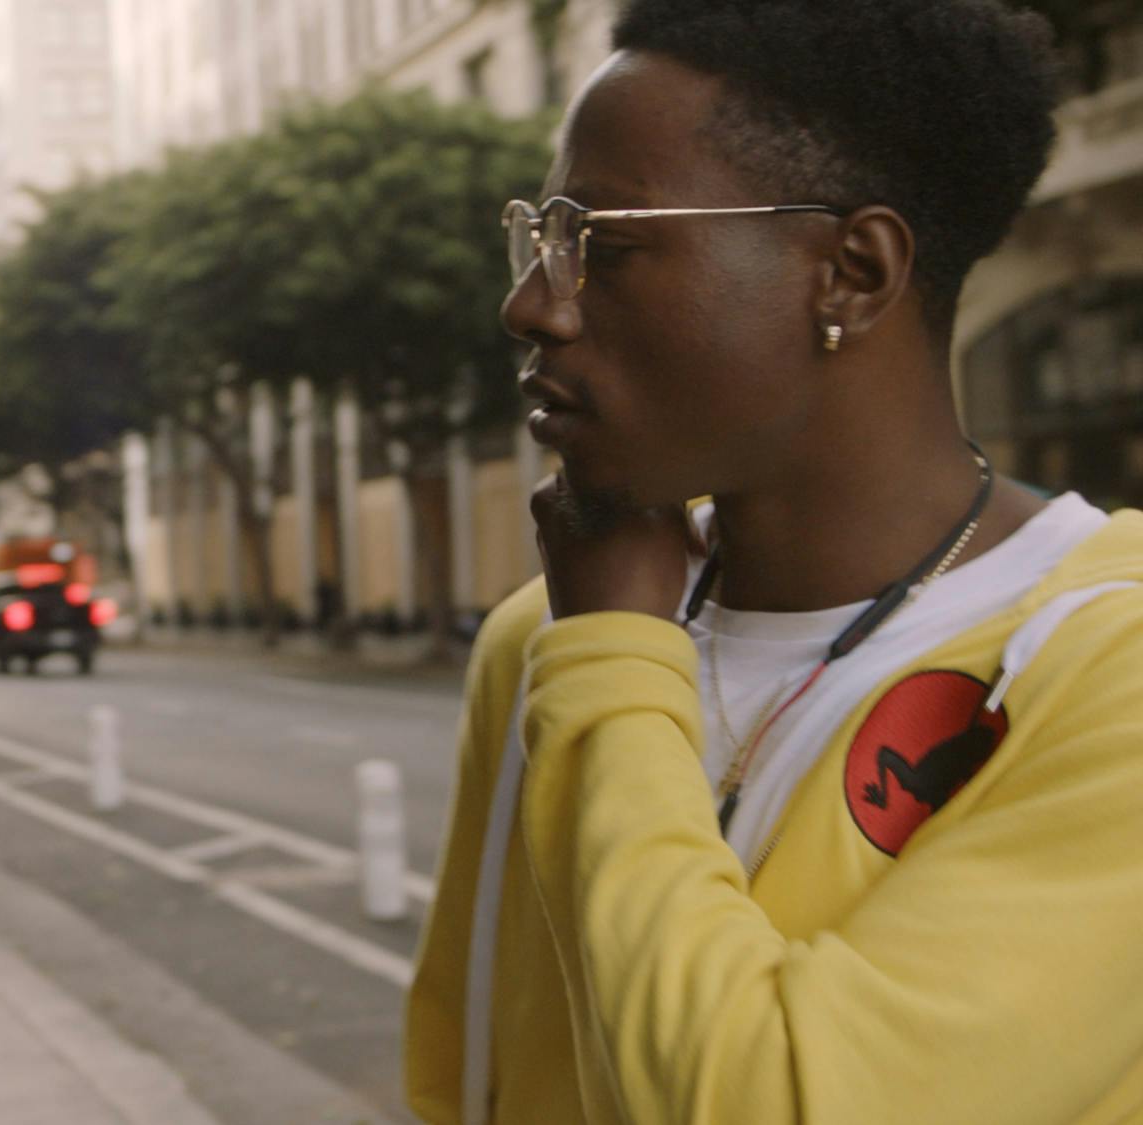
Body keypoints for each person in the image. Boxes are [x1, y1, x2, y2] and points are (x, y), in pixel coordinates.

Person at [406, 2, 1143, 1122]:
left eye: (601, 243)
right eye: (539, 236)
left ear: (849, 270)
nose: (530, 305)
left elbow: (778, 1100)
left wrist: (613, 658)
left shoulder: (1104, 664)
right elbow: (468, 1078)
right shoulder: (539, 638)